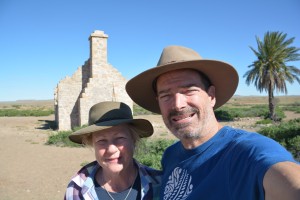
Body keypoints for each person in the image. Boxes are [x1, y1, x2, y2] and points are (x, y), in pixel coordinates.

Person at [125, 45, 300, 200]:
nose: (178, 104)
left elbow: (287, 180)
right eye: (165, 96)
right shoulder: (170, 155)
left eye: (188, 90)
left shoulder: (246, 152)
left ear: (211, 96)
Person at [64, 101, 162, 200]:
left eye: (120, 138)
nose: (111, 149)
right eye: (101, 140)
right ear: (93, 144)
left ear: (133, 140)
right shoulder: (77, 188)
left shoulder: (161, 184)